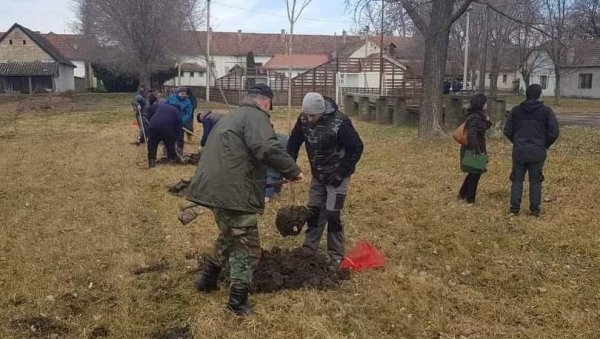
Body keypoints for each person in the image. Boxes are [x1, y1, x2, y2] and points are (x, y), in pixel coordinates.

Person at [186, 84, 303, 315]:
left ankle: (207, 280)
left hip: (213, 190)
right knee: (247, 247)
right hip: (232, 193)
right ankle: (237, 302)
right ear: (266, 102)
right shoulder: (255, 116)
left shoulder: (232, 117)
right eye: (270, 107)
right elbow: (267, 147)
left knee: (229, 234)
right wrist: (293, 171)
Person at [287, 93, 364, 271]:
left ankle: (336, 255)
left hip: (338, 175)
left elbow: (357, 148)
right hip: (318, 174)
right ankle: (309, 249)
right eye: (306, 115)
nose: (309, 119)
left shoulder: (340, 123)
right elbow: (293, 142)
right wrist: (289, 166)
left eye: (312, 116)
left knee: (332, 214)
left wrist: (340, 173)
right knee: (314, 210)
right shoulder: (304, 119)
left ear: (321, 111)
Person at [504, 84, 559, 217]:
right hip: (537, 151)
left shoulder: (516, 111)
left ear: (526, 94)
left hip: (520, 151)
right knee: (535, 181)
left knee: (517, 180)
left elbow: (507, 130)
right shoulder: (546, 111)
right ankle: (534, 210)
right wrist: (544, 144)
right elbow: (554, 132)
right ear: (539, 95)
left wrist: (517, 142)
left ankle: (514, 208)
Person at [458, 94, 492, 203]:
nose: (487, 104)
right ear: (481, 104)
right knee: (475, 174)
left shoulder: (478, 116)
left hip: (476, 147)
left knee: (473, 173)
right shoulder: (475, 117)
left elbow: (481, 130)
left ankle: (462, 194)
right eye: (485, 102)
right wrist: (477, 151)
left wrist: (487, 120)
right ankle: (470, 199)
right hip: (474, 149)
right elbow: (472, 135)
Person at [146, 102, 183, 168]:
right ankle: (172, 160)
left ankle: (151, 162)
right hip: (167, 127)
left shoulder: (160, 105)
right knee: (170, 145)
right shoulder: (177, 113)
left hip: (153, 125)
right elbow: (179, 129)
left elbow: (149, 110)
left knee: (152, 145)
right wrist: (175, 138)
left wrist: (150, 120)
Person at [165, 87, 193, 155]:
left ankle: (179, 150)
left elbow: (188, 113)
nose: (183, 95)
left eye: (185, 94)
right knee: (169, 136)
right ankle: (167, 150)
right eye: (182, 93)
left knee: (180, 137)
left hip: (180, 123)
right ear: (178, 93)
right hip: (170, 121)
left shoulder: (188, 102)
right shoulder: (171, 99)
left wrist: (182, 121)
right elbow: (165, 107)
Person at [265, 132, 289, 202]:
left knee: (271, 174)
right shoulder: (285, 138)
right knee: (278, 174)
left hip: (272, 159)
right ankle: (276, 192)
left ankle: (267, 196)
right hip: (284, 159)